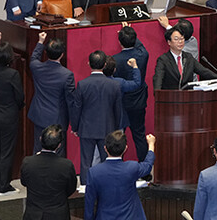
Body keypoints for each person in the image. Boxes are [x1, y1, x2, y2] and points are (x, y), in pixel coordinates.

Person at [72, 50, 122, 186]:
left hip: (86, 128)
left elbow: (76, 108)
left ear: (89, 64)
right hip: (108, 128)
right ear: (105, 64)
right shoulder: (114, 85)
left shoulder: (82, 84)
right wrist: (116, 129)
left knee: (85, 162)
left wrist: (75, 127)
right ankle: (106, 186)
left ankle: (84, 187)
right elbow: (118, 110)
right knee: (108, 161)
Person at [0, 34, 24, 195]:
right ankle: (4, 186)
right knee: (6, 151)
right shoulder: (12, 74)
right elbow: (20, 96)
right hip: (8, 116)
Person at [27, 32, 75, 156]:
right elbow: (70, 100)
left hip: (39, 116)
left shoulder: (37, 67)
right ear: (62, 55)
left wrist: (40, 41)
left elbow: (34, 58)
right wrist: (75, 123)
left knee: (37, 150)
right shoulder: (67, 75)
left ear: (46, 53)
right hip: (57, 119)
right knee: (58, 155)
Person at [20, 125, 77, 220]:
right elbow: (71, 188)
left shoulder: (27, 162)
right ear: (59, 145)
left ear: (40, 139)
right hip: (58, 214)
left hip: (33, 214)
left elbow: (24, 182)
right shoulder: (66, 165)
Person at [113, 24, 150, 162]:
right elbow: (140, 46)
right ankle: (145, 171)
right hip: (139, 102)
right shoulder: (143, 54)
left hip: (121, 103)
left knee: (118, 136)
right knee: (139, 135)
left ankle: (117, 166)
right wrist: (130, 31)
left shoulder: (114, 60)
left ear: (119, 42)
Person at [152, 26, 217, 90]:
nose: (180, 42)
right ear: (169, 42)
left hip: (187, 97)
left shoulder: (188, 57)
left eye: (181, 39)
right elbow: (158, 80)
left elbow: (204, 72)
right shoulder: (163, 60)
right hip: (171, 98)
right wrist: (158, 95)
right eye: (176, 39)